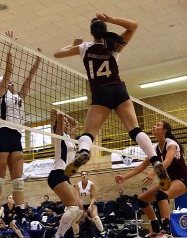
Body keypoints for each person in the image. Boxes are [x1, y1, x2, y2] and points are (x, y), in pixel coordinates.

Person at [54, 12, 170, 190]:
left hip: (100, 92)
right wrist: (111, 19)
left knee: (89, 133)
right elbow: (134, 25)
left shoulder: (84, 47)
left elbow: (57, 54)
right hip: (118, 89)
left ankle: (84, 152)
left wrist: (74, 44)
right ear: (105, 30)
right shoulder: (113, 45)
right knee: (135, 129)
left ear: (92, 33)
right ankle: (155, 160)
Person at [0, 32, 42, 238]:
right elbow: (8, 71)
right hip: (1, 133)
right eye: (7, 82)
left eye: (9, 83)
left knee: (18, 183)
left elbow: (29, 78)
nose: (10, 83)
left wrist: (38, 59)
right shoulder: (1, 93)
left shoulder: (19, 97)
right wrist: (10, 45)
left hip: (16, 136)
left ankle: (20, 218)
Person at [115, 120, 187, 238]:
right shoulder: (154, 148)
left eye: (158, 125)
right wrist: (125, 177)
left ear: (164, 130)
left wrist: (153, 173)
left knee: (161, 195)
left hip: (183, 179)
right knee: (142, 200)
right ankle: (156, 228)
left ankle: (167, 232)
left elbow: (168, 161)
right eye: (154, 124)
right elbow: (141, 167)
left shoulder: (171, 144)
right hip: (169, 180)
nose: (154, 126)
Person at [47, 109, 83, 238]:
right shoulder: (59, 136)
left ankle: (59, 234)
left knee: (79, 209)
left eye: (68, 122)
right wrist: (59, 114)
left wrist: (66, 117)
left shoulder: (69, 137)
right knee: (73, 207)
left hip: (65, 176)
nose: (68, 123)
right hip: (57, 174)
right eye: (64, 123)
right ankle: (58, 236)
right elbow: (60, 116)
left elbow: (77, 123)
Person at [75, 171, 109, 238]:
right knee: (76, 220)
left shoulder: (91, 184)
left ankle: (103, 234)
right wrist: (82, 208)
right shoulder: (78, 185)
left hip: (91, 203)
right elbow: (77, 198)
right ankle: (76, 236)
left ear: (87, 176)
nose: (84, 176)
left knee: (95, 218)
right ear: (81, 176)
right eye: (82, 174)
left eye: (85, 174)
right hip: (82, 204)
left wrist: (90, 206)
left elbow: (93, 197)